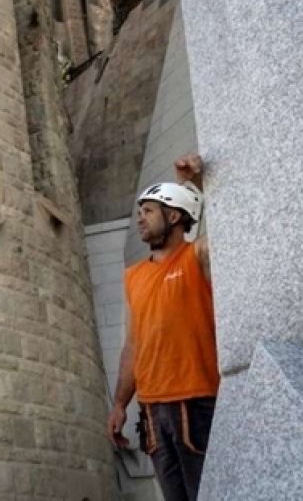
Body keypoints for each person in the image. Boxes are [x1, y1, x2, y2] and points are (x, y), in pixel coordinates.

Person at [106, 154, 219, 501]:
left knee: (210, 493)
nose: (140, 218)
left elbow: (231, 225)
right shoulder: (133, 276)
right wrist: (121, 403)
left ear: (174, 216)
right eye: (139, 212)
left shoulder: (195, 256)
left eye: (149, 211)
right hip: (152, 409)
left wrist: (199, 184)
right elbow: (133, 345)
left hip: (195, 400)